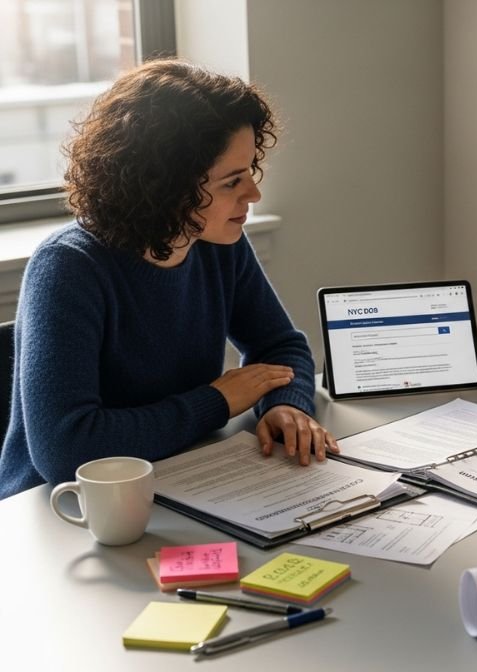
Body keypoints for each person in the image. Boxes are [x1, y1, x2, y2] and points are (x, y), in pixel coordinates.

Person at [0, 59, 338, 499]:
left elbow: (280, 346)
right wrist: (216, 402)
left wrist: (285, 405)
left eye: (250, 171)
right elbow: (69, 448)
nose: (253, 194)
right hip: (61, 510)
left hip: (179, 477)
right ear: (166, 186)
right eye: (231, 182)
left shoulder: (218, 242)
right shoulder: (67, 268)